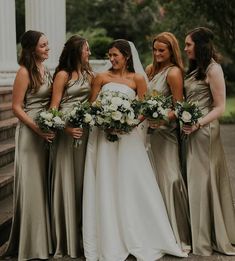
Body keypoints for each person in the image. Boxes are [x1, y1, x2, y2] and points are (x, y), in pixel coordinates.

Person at [82, 39, 187, 261]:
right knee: (106, 181)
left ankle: (139, 233)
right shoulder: (100, 78)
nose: (111, 59)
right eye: (109, 55)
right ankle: (109, 237)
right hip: (104, 138)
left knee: (131, 182)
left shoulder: (138, 78)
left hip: (128, 138)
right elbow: (91, 107)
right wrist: (103, 121)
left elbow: (143, 109)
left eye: (115, 55)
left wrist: (129, 123)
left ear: (127, 56)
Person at [183, 27, 235, 256]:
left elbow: (221, 107)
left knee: (203, 183)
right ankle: (199, 235)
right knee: (196, 184)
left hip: (205, 132)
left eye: (188, 45)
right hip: (191, 130)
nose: (185, 49)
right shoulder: (196, 70)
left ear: (200, 45)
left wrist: (198, 123)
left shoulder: (213, 69)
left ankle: (205, 239)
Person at [3, 30, 54, 260]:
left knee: (44, 184)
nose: (47, 48)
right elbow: (16, 107)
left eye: (47, 44)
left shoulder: (47, 70)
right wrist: (38, 129)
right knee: (33, 186)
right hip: (30, 133)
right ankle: (33, 245)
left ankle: (46, 240)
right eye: (43, 45)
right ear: (32, 48)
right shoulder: (24, 72)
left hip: (46, 131)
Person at [145, 32, 191, 252]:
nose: (157, 53)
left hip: (166, 133)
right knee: (153, 182)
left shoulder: (174, 73)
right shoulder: (150, 70)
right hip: (148, 135)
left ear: (172, 51)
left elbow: (179, 107)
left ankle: (179, 236)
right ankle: (158, 233)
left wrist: (162, 118)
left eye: (161, 50)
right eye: (155, 49)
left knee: (171, 179)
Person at [49, 35, 93, 258]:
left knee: (83, 184)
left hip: (86, 134)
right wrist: (66, 129)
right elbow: (53, 109)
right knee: (68, 182)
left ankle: (84, 237)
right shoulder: (62, 75)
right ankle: (66, 240)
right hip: (67, 135)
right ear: (77, 51)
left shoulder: (89, 74)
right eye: (87, 49)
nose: (90, 53)